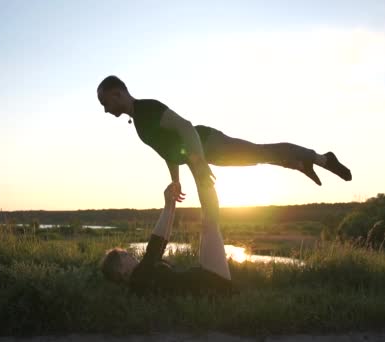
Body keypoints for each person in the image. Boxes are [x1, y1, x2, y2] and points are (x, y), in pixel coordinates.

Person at [96, 75, 352, 281]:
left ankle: (320, 158)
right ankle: (300, 162)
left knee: (258, 152)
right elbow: (168, 153)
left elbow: (185, 127)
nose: (106, 110)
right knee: (257, 156)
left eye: (105, 102)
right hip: (199, 154)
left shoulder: (147, 108)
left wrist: (198, 160)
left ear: (117, 93)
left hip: (205, 143)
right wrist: (176, 180)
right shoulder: (140, 123)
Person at [101, 183, 234, 297]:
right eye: (124, 255)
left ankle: (200, 173)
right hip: (213, 283)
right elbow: (155, 245)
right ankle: (200, 171)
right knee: (210, 220)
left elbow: (160, 244)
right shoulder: (139, 277)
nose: (129, 254)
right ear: (121, 270)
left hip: (205, 278)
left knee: (208, 222)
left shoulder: (140, 280)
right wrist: (168, 205)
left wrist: (171, 205)